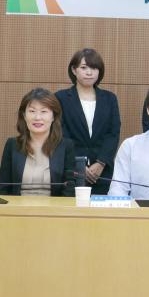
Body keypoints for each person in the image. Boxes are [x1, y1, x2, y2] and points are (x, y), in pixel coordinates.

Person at [56, 48, 121, 194]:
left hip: (102, 172)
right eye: (84, 67)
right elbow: (61, 133)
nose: (89, 72)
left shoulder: (110, 99)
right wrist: (78, 165)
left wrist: (101, 162)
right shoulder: (61, 98)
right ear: (74, 70)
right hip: (71, 171)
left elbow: (113, 133)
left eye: (94, 68)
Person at [0, 88, 74, 196]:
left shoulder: (66, 146)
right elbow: (3, 188)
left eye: (44, 112)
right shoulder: (12, 145)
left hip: (54, 206)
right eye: (32, 111)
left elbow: (70, 189)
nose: (37, 117)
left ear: (53, 116)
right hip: (18, 205)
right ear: (24, 116)